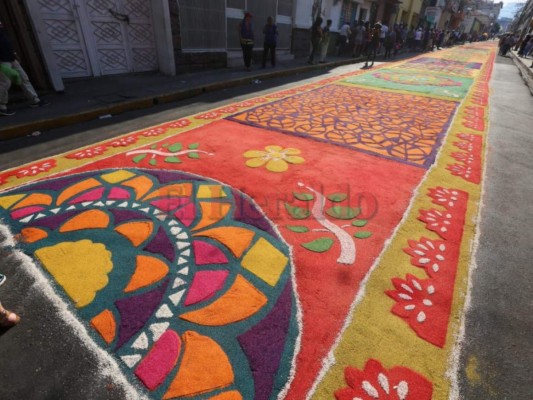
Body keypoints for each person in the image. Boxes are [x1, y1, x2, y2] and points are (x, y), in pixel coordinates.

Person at [0, 20, 49, 116]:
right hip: (2, 60)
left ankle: (34, 100)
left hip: (10, 57)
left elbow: (5, 41)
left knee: (23, 78)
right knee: (5, 83)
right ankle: (1, 107)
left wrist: (13, 53)